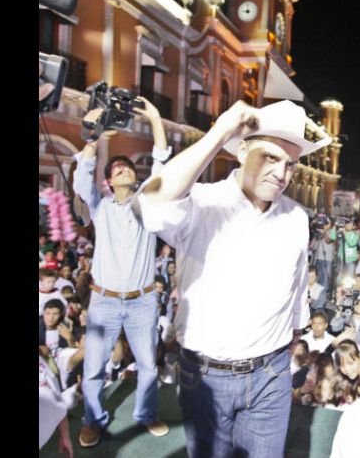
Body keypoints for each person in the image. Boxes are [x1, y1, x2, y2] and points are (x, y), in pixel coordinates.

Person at [139, 99, 330, 458]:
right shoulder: (202, 203)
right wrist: (221, 130)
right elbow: (154, 203)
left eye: (290, 164)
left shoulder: (296, 219)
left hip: (271, 374)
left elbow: (297, 286)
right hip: (207, 377)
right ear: (241, 151)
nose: (282, 172)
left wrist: (293, 335)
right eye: (270, 157)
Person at [72, 97, 171, 447]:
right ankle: (92, 419)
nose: (124, 170)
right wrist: (93, 135)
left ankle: (146, 414)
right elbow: (83, 180)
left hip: (144, 302)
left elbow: (161, 162)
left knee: (148, 366)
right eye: (116, 169)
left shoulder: (148, 202)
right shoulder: (100, 208)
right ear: (109, 183)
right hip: (104, 302)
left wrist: (156, 117)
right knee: (94, 367)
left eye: (128, 167)